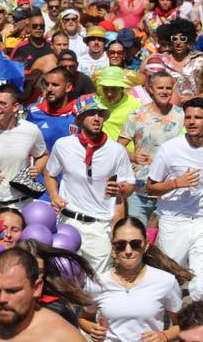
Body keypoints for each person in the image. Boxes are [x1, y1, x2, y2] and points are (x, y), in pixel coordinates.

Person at [145, 97, 203, 300]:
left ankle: (195, 330)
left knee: (200, 287)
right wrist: (176, 183)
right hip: (174, 220)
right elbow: (151, 187)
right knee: (171, 282)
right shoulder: (170, 149)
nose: (192, 122)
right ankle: (170, 327)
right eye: (188, 117)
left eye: (198, 117)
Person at [44, 94, 135, 275]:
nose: (97, 118)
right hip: (69, 221)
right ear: (79, 118)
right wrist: (54, 196)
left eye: (100, 114)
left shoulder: (116, 150)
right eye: (91, 113)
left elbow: (130, 184)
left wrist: (120, 190)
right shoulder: (63, 145)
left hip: (99, 225)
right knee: (65, 276)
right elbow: (49, 173)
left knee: (99, 281)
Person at [118, 72, 184, 220]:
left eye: (168, 88)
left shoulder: (182, 115)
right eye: (160, 87)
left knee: (163, 241)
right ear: (150, 89)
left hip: (170, 191)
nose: (164, 91)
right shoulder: (136, 115)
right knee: (137, 237)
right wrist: (132, 156)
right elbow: (118, 148)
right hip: (140, 190)